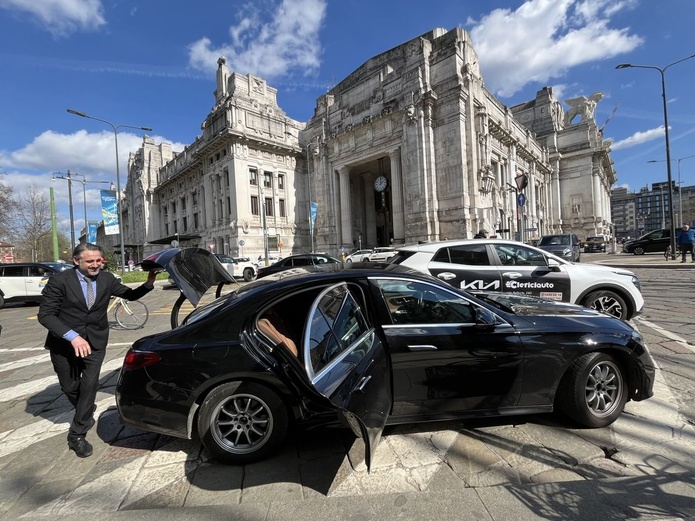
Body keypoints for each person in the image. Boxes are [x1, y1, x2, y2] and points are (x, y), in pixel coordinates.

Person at [38, 243, 160, 458]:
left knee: (89, 385)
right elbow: (46, 315)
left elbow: (129, 295)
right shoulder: (60, 281)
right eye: (90, 261)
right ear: (77, 261)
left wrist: (149, 283)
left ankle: (77, 433)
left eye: (98, 261)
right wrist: (72, 337)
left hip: (95, 341)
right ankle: (85, 410)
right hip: (64, 344)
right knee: (69, 387)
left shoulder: (107, 279)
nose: (96, 265)